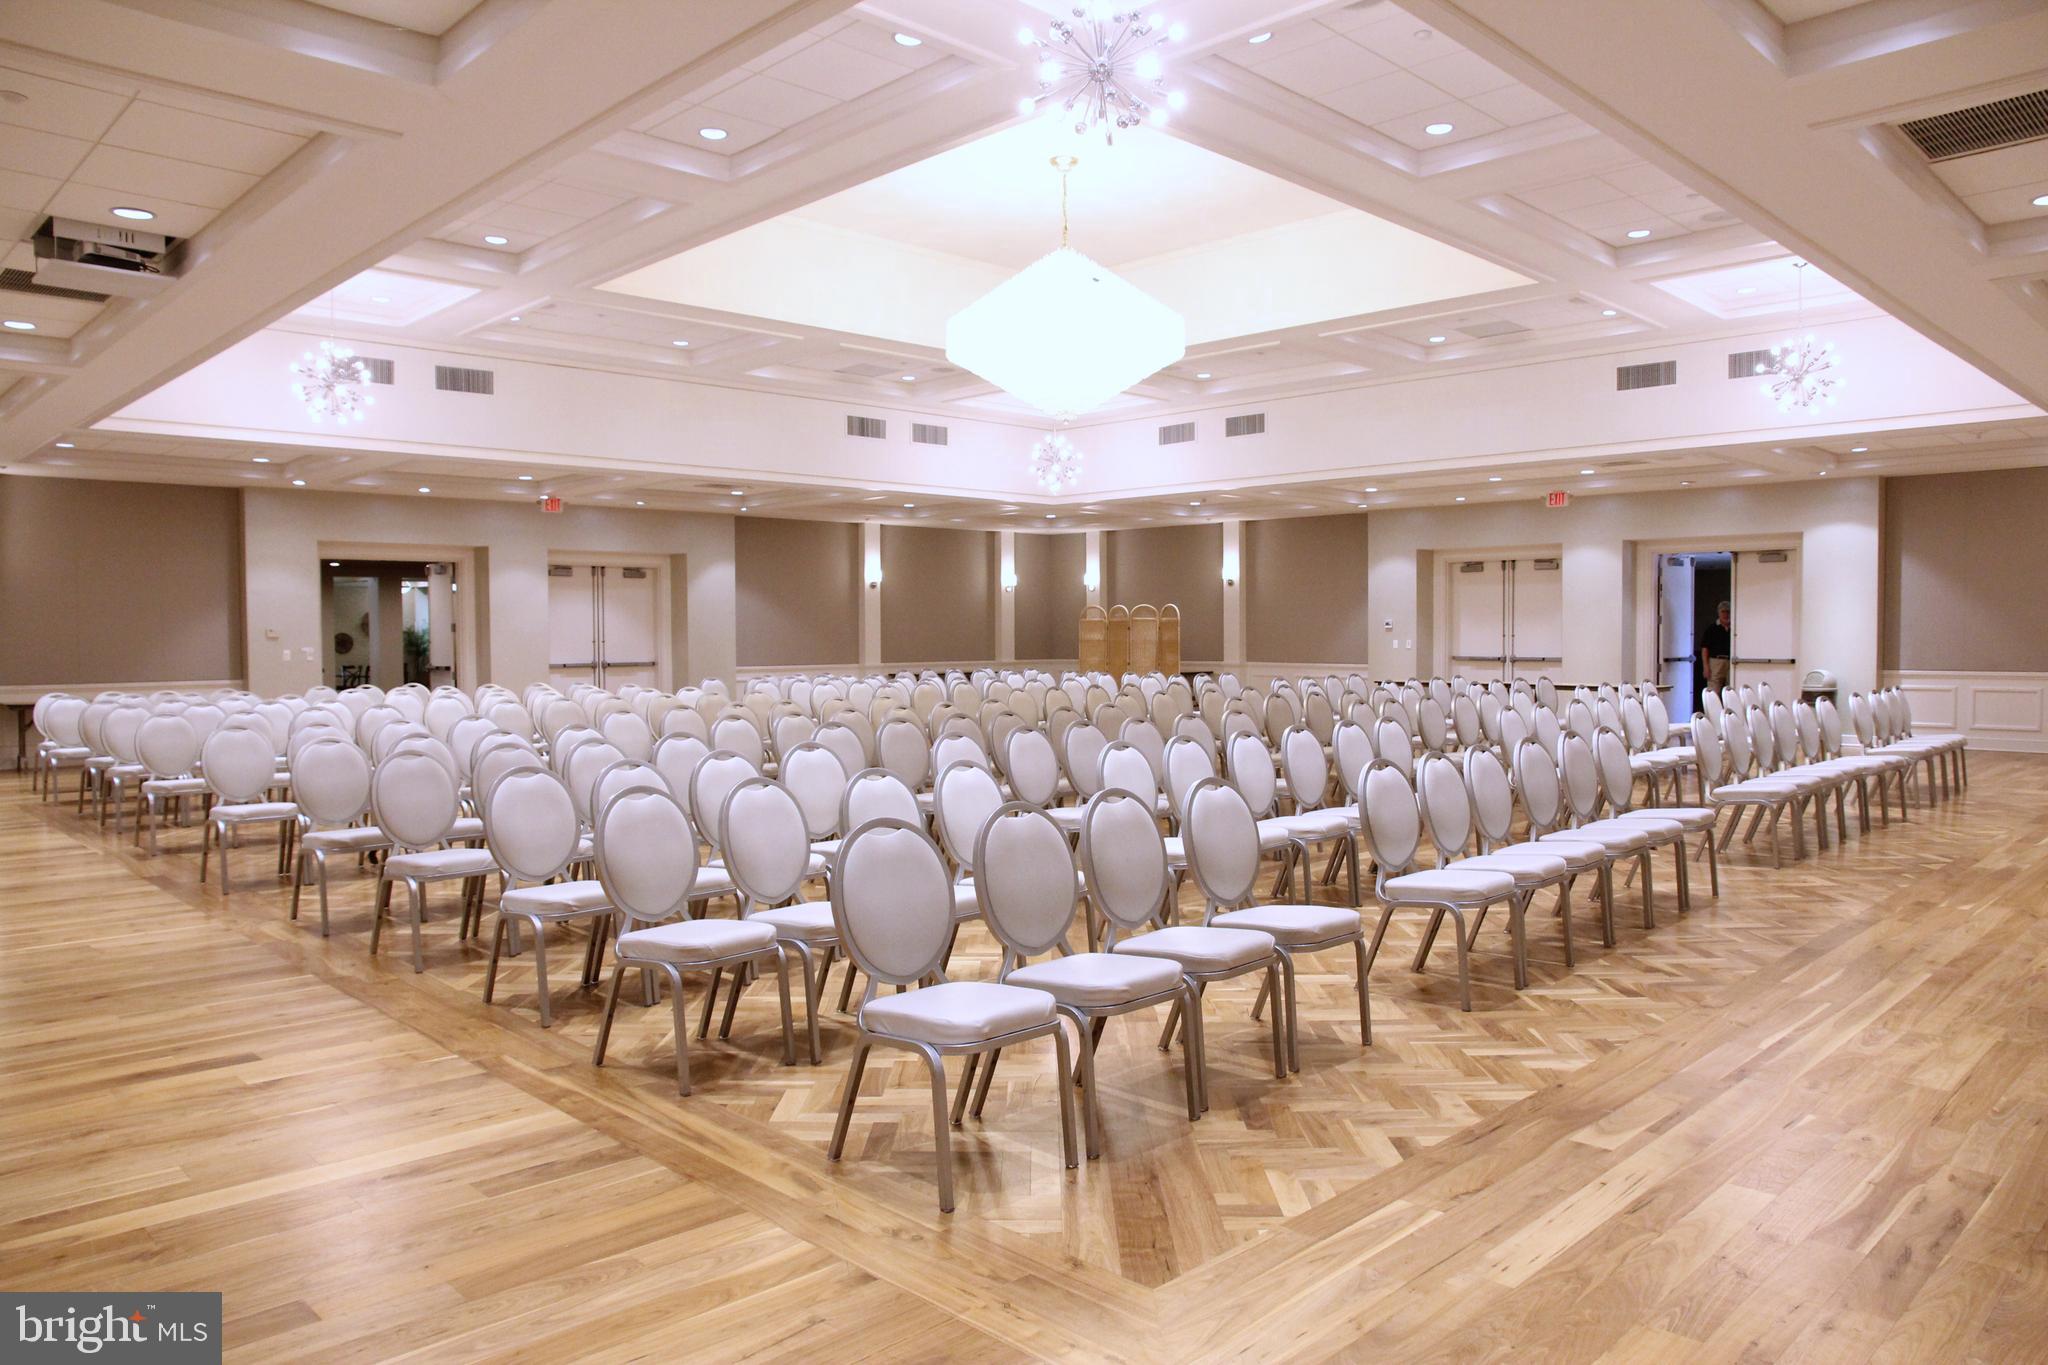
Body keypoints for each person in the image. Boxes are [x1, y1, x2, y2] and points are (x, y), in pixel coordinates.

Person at [1700, 602, 1732, 701]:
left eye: (1728, 612)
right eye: (1723, 612)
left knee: (1730, 691)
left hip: (1731, 661)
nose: (1726, 614)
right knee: (1714, 691)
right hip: (1715, 662)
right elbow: (1704, 648)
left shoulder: (1735, 628)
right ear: (1719, 613)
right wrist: (1706, 666)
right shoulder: (1712, 628)